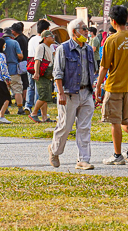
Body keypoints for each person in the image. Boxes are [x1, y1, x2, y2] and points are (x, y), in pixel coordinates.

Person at [96, 5, 128, 166]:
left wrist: (98, 86)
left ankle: (117, 155)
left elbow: (104, 66)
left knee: (115, 122)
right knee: (126, 119)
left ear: (113, 21)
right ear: (127, 20)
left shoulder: (111, 39)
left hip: (115, 85)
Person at [49, 19, 97, 170]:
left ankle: (83, 159)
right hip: (69, 93)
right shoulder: (63, 49)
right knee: (65, 126)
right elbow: (57, 73)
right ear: (74, 32)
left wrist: (95, 88)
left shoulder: (89, 49)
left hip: (86, 92)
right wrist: (61, 93)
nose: (86, 31)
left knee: (84, 127)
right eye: (83, 29)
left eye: (87, 28)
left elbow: (92, 70)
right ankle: (54, 150)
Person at [28, 30, 55, 123]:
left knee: (46, 96)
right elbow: (37, 60)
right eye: (51, 36)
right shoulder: (41, 47)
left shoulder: (49, 47)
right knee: (43, 95)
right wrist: (36, 72)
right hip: (42, 74)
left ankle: (44, 117)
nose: (53, 38)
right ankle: (34, 113)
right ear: (45, 38)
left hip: (47, 75)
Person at [26, 19, 51, 112]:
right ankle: (38, 111)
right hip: (40, 65)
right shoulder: (43, 41)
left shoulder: (31, 39)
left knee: (31, 86)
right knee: (39, 89)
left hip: (30, 64)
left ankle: (28, 105)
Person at [2, 28, 24, 115]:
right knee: (17, 90)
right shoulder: (14, 43)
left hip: (3, 70)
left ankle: (5, 109)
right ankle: (20, 109)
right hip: (14, 69)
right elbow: (20, 56)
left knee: (5, 90)